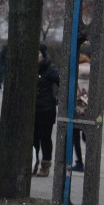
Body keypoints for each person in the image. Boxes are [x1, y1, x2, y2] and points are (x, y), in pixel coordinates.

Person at [33, 44, 60, 177]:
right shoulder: (29, 68)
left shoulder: (50, 68)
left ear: (43, 55)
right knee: (33, 138)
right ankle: (33, 163)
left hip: (46, 109)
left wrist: (59, 98)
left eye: (38, 53)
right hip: (32, 109)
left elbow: (61, 82)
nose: (36, 56)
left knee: (45, 138)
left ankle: (45, 165)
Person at [72, 52, 91, 172]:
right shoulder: (92, 70)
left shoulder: (75, 70)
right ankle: (91, 159)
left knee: (75, 137)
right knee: (87, 136)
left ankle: (79, 162)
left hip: (77, 108)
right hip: (89, 109)